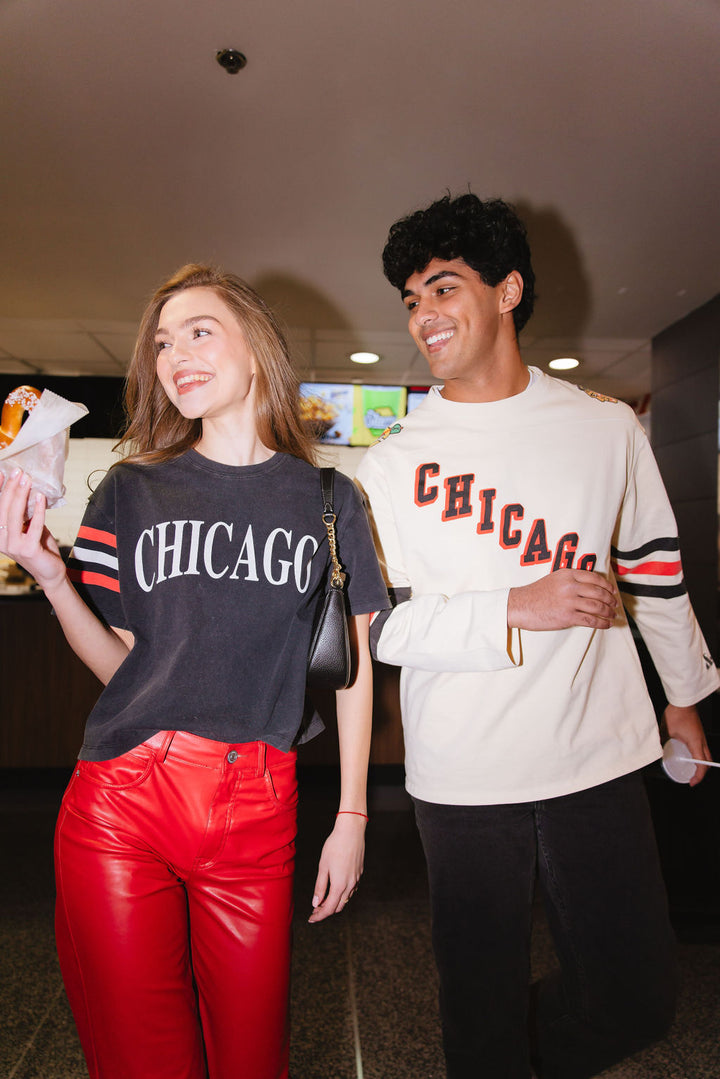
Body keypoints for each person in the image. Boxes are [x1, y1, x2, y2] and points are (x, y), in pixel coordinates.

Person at [355, 193, 718, 1079]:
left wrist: (683, 699)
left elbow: (656, 570)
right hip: (466, 770)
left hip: (599, 753)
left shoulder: (604, 428)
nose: (423, 314)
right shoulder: (390, 463)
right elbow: (386, 625)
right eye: (410, 298)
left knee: (637, 995)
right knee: (478, 1007)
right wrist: (515, 603)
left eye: (443, 287)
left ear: (509, 288)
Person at [0, 264, 388, 1079]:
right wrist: (50, 576)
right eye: (163, 342)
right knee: (147, 1060)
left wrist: (351, 814)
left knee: (253, 1057)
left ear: (258, 349)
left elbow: (353, 670)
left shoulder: (328, 498)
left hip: (259, 802)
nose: (174, 353)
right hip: (123, 800)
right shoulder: (132, 490)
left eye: (199, 331)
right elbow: (126, 666)